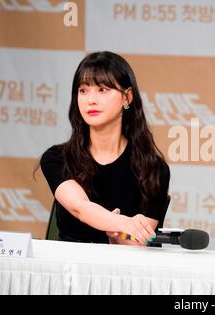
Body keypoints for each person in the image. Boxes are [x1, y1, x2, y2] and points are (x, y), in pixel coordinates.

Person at [40, 51, 170, 245]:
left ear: (127, 97)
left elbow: (143, 238)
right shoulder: (57, 158)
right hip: (69, 267)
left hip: (125, 269)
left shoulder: (153, 168)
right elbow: (80, 208)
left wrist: (118, 235)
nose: (91, 99)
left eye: (102, 90)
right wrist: (120, 222)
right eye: (83, 90)